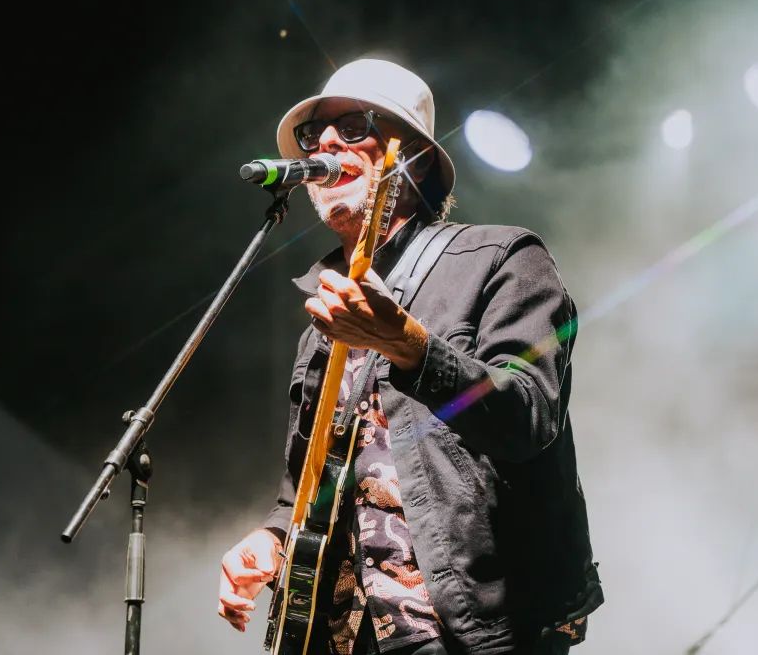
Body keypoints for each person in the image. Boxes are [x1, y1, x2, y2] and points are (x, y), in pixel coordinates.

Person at [217, 59, 603, 655]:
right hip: (341, 636)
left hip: (469, 630)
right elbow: (312, 486)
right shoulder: (325, 316)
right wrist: (272, 538)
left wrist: (407, 345)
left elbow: (529, 418)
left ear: (414, 158)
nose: (325, 143)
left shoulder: (500, 259)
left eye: (354, 127)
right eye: (314, 134)